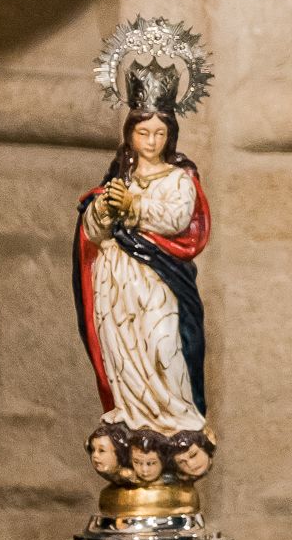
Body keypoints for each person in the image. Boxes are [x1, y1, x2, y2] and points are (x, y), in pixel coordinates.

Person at [73, 106, 215, 484]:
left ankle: (175, 420)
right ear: (130, 135)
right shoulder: (118, 179)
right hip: (116, 285)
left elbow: (177, 219)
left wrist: (133, 206)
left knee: (164, 345)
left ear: (170, 136)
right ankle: (133, 420)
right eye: (143, 133)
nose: (151, 141)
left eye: (159, 133)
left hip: (158, 282)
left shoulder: (178, 179)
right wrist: (103, 208)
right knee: (123, 352)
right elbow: (92, 231)